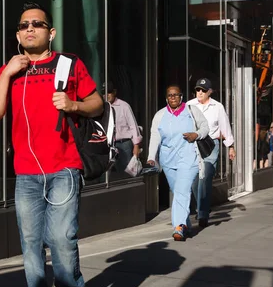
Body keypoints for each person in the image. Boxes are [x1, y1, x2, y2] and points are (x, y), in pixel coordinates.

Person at [0, 2, 103, 287]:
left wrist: (75, 104)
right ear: (19, 35)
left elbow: (98, 103)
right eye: (23, 25)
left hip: (64, 166)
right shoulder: (11, 70)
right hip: (26, 174)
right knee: (31, 242)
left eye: (37, 24)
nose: (29, 28)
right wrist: (8, 73)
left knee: (62, 238)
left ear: (50, 32)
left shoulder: (68, 64)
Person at [147, 84, 209, 241]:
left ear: (181, 96)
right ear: (166, 98)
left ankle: (179, 226)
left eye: (176, 95)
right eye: (169, 95)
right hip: (168, 161)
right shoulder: (160, 115)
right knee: (178, 193)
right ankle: (186, 224)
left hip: (189, 158)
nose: (173, 97)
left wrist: (196, 134)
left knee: (182, 191)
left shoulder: (191, 111)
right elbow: (155, 136)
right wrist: (151, 156)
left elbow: (205, 127)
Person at [187, 78, 235, 228]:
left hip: (210, 144)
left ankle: (202, 214)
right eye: (197, 90)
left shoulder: (217, 107)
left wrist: (230, 146)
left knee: (205, 176)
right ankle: (203, 206)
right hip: (193, 145)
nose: (199, 93)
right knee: (194, 180)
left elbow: (225, 126)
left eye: (203, 90)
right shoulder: (189, 105)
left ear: (209, 92)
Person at [101, 81, 142, 174]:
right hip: (109, 145)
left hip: (124, 144)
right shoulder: (102, 107)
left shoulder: (124, 106)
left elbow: (133, 125)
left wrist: (136, 146)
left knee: (128, 173)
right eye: (104, 93)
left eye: (109, 92)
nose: (106, 95)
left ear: (114, 92)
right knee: (109, 173)